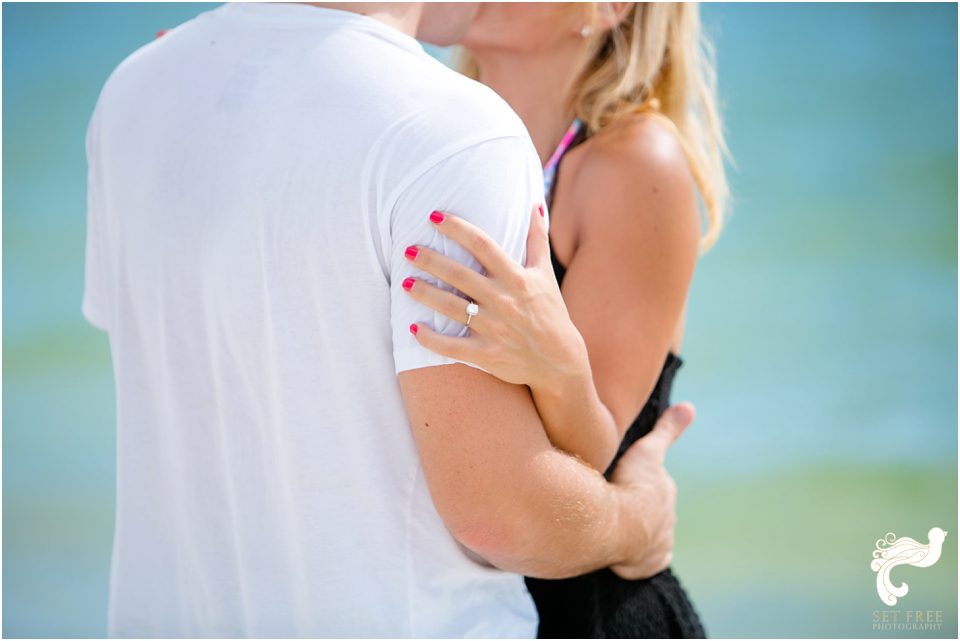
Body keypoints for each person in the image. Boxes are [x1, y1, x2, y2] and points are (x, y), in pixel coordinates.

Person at [82, 2, 695, 637]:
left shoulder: (625, 163)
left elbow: (580, 467)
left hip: (586, 612)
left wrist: (628, 509)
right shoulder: (442, 129)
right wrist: (238, 87)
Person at [400, 2, 730, 638]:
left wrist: (560, 366)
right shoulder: (438, 148)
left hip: (589, 613)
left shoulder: (634, 163)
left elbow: (593, 452)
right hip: (462, 606)